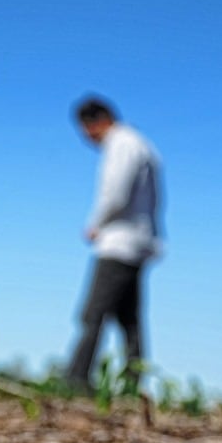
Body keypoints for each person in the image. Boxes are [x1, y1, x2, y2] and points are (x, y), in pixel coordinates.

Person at [66, 96, 163, 393]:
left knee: (93, 315)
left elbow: (115, 194)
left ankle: (76, 380)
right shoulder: (143, 145)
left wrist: (95, 225)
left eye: (86, 131)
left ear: (97, 122)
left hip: (117, 243)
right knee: (128, 319)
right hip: (139, 243)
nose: (88, 139)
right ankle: (133, 385)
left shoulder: (120, 144)